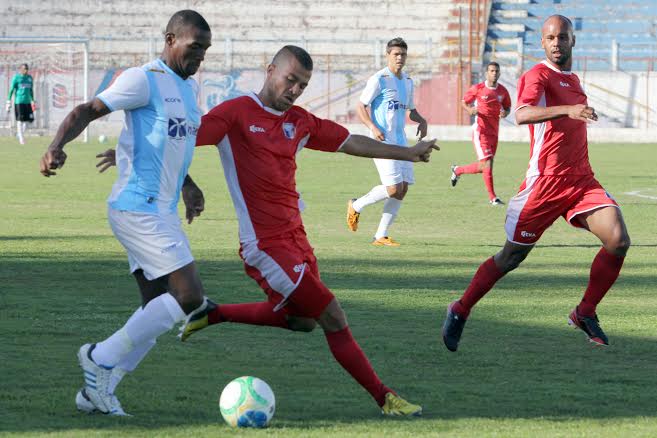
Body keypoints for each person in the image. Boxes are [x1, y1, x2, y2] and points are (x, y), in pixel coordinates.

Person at [183, 45, 437, 416]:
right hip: (265, 245)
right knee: (333, 314)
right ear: (270, 71)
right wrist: (166, 170)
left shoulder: (300, 121)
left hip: (296, 238)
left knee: (303, 322)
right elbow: (179, 141)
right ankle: (386, 399)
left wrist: (409, 153)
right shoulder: (236, 114)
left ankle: (214, 313)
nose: (295, 90)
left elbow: (351, 142)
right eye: (290, 80)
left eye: (302, 85)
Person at [39, 10, 212, 416]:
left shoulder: (188, 91)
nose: (201, 55)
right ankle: (98, 358)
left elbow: (170, 146)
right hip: (138, 208)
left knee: (154, 308)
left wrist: (189, 186)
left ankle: (98, 391)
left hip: (161, 210)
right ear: (171, 39)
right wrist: (56, 145)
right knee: (189, 297)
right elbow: (87, 110)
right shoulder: (143, 78)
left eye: (205, 49)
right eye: (195, 46)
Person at [441, 15, 630, 352]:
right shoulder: (537, 75)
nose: (556, 43)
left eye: (562, 37)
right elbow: (523, 113)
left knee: (618, 240)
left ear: (573, 40)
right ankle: (460, 308)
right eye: (550, 38)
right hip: (543, 185)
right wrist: (568, 110)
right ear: (542, 43)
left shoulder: (573, 78)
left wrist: (575, 110)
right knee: (510, 258)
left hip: (581, 181)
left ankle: (584, 312)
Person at [346, 37, 428, 246]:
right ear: (388, 55)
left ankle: (380, 235)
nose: (399, 58)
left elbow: (411, 109)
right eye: (395, 54)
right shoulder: (379, 79)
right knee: (393, 188)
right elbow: (360, 106)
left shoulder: (408, 81)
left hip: (402, 141)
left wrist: (422, 120)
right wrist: (372, 127)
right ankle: (356, 206)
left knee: (403, 188)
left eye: (403, 54)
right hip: (382, 142)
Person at [452, 62, 511, 205]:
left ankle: (458, 170)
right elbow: (464, 102)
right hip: (480, 131)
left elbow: (508, 107)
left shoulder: (502, 91)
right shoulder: (478, 89)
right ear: (486, 73)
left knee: (484, 166)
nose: (494, 73)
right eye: (491, 71)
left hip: (494, 133)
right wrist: (469, 110)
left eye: (497, 71)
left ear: (500, 73)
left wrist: (505, 113)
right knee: (488, 163)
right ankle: (493, 198)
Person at [6, 63, 36, 145]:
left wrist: (33, 100)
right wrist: (8, 101)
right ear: (21, 69)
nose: (25, 71)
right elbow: (12, 90)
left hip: (28, 102)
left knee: (29, 120)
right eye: (24, 69)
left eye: (27, 69)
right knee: (20, 120)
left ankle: (19, 134)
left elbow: (31, 90)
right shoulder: (17, 78)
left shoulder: (29, 78)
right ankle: (21, 140)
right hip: (19, 102)